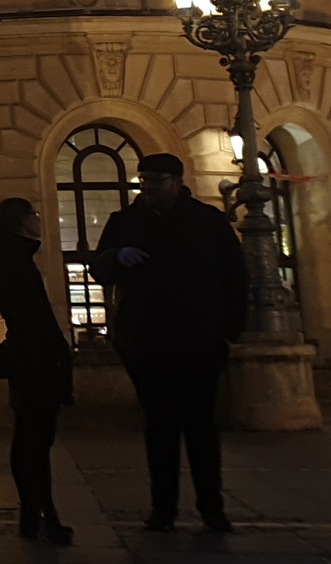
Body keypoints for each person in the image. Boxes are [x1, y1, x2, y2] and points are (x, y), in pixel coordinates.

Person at [92, 154, 248, 532]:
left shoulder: (207, 222)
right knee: (158, 427)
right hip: (145, 341)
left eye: (155, 181)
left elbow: (235, 277)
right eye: (142, 180)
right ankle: (163, 509)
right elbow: (98, 267)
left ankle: (212, 506)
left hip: (198, 340)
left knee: (200, 426)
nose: (146, 188)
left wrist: (228, 331)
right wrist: (116, 256)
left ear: (177, 182)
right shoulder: (125, 222)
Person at [0, 198, 73, 543]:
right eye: (33, 214)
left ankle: (34, 512)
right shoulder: (15, 260)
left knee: (29, 437)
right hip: (35, 359)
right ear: (20, 221)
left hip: (26, 357)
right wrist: (57, 354)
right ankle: (42, 512)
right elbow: (33, 317)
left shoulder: (8, 257)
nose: (38, 219)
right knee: (35, 439)